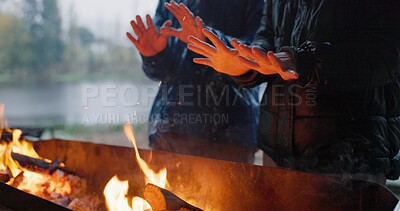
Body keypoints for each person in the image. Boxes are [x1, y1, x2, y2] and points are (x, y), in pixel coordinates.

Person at [187, 0, 400, 181]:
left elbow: (386, 52)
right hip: (276, 151)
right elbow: (267, 36)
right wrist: (245, 65)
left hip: (350, 157)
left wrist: (302, 60)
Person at [126, 0, 264, 163]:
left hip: (230, 135)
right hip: (169, 131)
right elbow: (160, 72)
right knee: (158, 189)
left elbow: (259, 55)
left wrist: (207, 40)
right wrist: (153, 55)